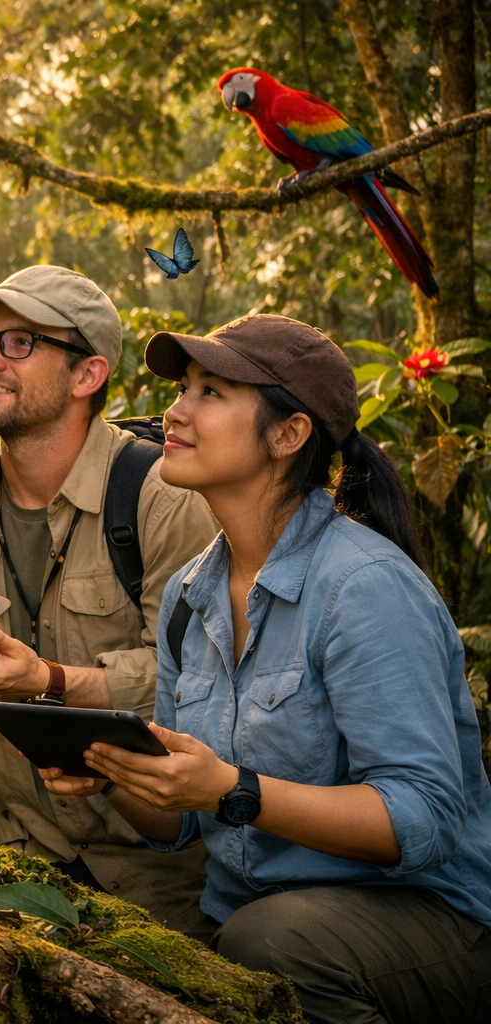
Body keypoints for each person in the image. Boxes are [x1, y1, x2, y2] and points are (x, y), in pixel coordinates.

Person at [39, 314, 491, 1023]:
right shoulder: (191, 596)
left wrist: (232, 788)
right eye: (182, 388)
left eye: (211, 392)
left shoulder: (362, 587)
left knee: (270, 942)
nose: (175, 410)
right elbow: (181, 827)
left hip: (425, 921)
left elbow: (425, 818)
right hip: (257, 919)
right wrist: (119, 776)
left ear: (288, 436)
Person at [0, 266, 218, 932]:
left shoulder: (166, 500)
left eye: (19, 342)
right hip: (4, 835)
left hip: (150, 863)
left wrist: (51, 683)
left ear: (86, 375)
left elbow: (201, 690)